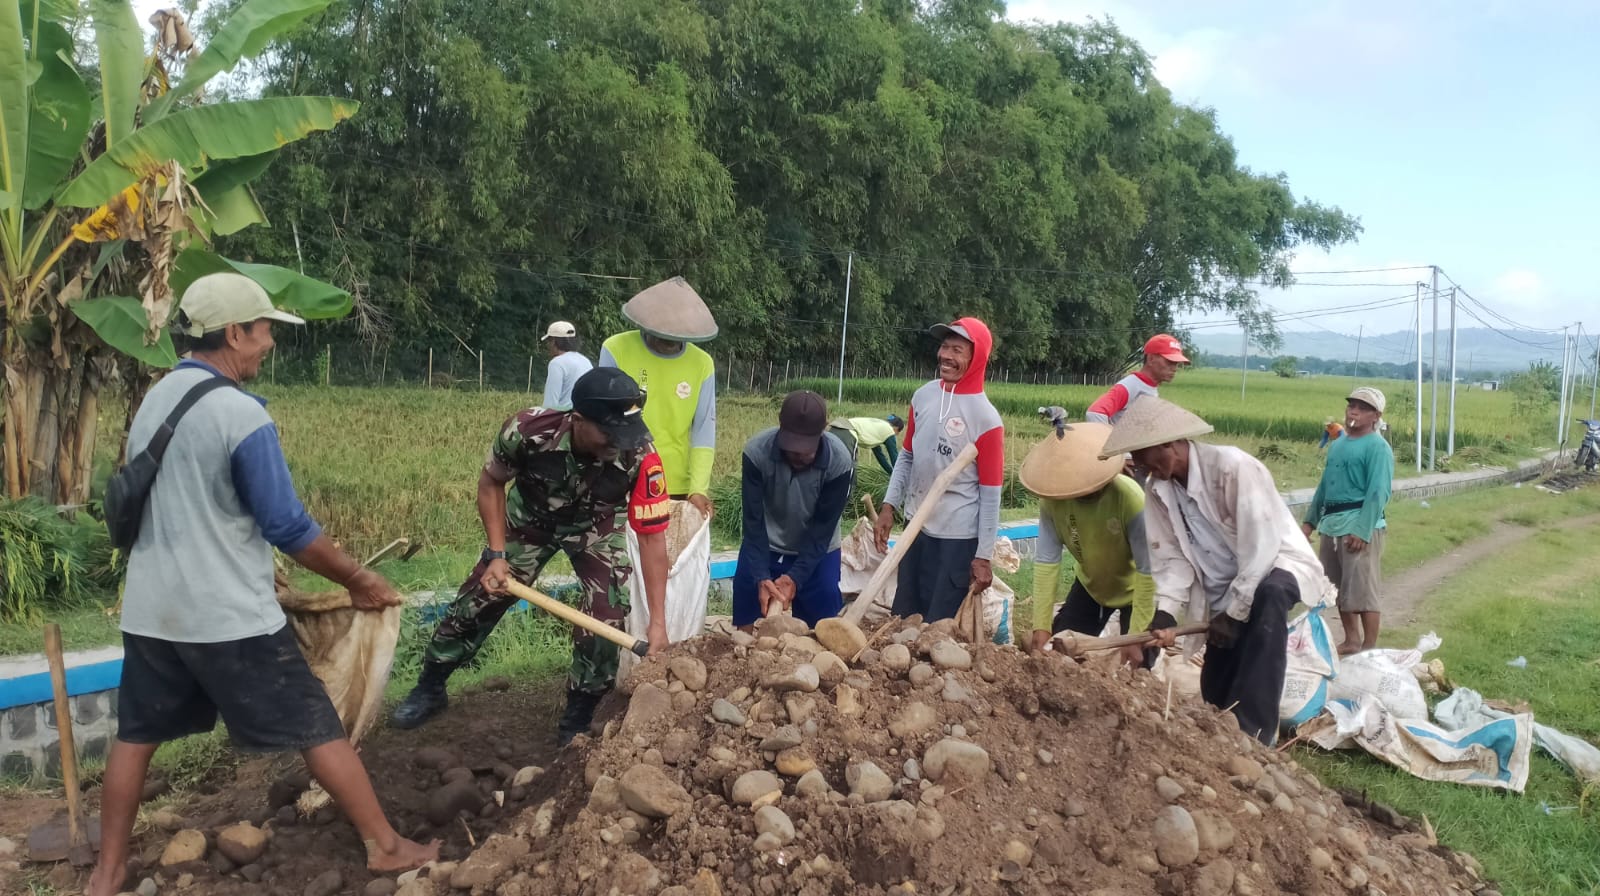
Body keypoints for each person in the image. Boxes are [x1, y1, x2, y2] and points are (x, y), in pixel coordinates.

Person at [88, 274, 437, 896]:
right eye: (265, 330)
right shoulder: (239, 413)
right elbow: (288, 526)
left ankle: (106, 872)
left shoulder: (157, 398)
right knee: (315, 723)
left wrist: (248, 558)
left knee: (135, 737)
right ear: (234, 333)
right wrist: (358, 578)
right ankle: (386, 848)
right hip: (227, 618)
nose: (269, 343)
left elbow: (185, 504)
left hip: (151, 612)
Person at [390, 367, 672, 745]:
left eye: (627, 433)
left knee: (607, 615)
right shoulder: (527, 432)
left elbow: (652, 540)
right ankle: (431, 685)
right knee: (481, 597)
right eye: (610, 433)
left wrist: (657, 622)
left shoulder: (641, 455)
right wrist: (496, 553)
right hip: (529, 523)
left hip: (597, 529)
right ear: (578, 420)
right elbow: (491, 482)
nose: (619, 443)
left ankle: (579, 715)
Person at [1100, 397, 1336, 745]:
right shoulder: (1158, 490)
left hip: (1275, 565)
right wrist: (1164, 615)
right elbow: (1172, 559)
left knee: (1267, 605)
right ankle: (1219, 733)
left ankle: (1256, 736)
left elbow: (1260, 547)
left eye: (1144, 455)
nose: (1142, 465)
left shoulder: (1232, 468)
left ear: (1169, 444)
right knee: (1215, 686)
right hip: (1224, 587)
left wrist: (1236, 613)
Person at [873, 318, 1004, 622]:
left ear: (976, 358)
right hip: (915, 529)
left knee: (939, 627)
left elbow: (991, 493)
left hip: (956, 539)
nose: (946, 356)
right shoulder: (923, 397)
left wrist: (983, 555)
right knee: (904, 619)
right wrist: (889, 506)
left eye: (957, 350)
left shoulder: (986, 419)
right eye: (944, 347)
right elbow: (907, 456)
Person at [1020, 415, 1156, 668]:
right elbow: (1046, 562)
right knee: (1059, 652)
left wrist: (1136, 634)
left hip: (1134, 591)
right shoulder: (1052, 500)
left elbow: (1148, 571)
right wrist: (1041, 626)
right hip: (1090, 586)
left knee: (1139, 665)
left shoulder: (1130, 500)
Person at [599, 277, 718, 519]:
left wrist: (698, 488)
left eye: (677, 337)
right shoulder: (616, 349)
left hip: (673, 482)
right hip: (622, 476)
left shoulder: (702, 364)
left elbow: (704, 428)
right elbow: (604, 415)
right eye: (663, 335)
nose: (669, 342)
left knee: (667, 543)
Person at [735, 391, 854, 629]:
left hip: (819, 547)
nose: (798, 455)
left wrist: (795, 577)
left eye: (805, 448)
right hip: (765, 542)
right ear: (780, 428)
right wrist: (761, 575)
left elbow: (822, 529)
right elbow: (753, 521)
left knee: (823, 623)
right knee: (746, 600)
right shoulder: (757, 452)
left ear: (822, 431)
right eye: (792, 446)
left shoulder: (839, 461)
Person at [1303, 387, 1393, 655]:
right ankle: (1352, 640)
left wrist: (1362, 530)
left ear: (1376, 416)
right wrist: (1309, 523)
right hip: (1332, 524)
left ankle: (1370, 648)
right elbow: (1325, 487)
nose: (1354, 412)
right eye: (1351, 406)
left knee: (1363, 591)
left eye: (1362, 408)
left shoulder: (1378, 447)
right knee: (1338, 588)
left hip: (1360, 524)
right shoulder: (1339, 445)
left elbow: (1378, 492)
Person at [1084, 334, 1190, 424]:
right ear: (1151, 359)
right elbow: (1094, 413)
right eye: (1170, 362)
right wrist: (1107, 440)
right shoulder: (1130, 386)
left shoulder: (1149, 387)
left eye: (1176, 364)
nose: (1174, 368)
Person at [827, 415, 905, 476]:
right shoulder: (889, 431)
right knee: (849, 469)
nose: (896, 435)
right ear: (896, 429)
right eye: (898, 433)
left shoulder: (879, 428)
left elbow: (880, 456)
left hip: (835, 428)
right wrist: (898, 477)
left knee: (831, 463)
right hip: (847, 431)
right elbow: (894, 457)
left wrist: (891, 473)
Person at [541, 320, 593, 411]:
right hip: (586, 414)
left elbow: (550, 404)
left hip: (564, 416)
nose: (548, 345)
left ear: (553, 341)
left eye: (549, 341)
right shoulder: (585, 360)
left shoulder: (557, 363)